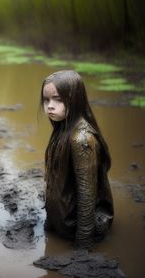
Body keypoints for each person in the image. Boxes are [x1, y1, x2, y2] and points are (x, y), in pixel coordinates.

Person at [41, 70, 113, 249]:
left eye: (58, 99)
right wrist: (50, 224)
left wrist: (83, 242)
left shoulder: (81, 139)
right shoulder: (62, 127)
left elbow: (87, 196)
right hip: (62, 222)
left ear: (75, 100)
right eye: (46, 99)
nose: (50, 106)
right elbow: (54, 181)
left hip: (77, 228)